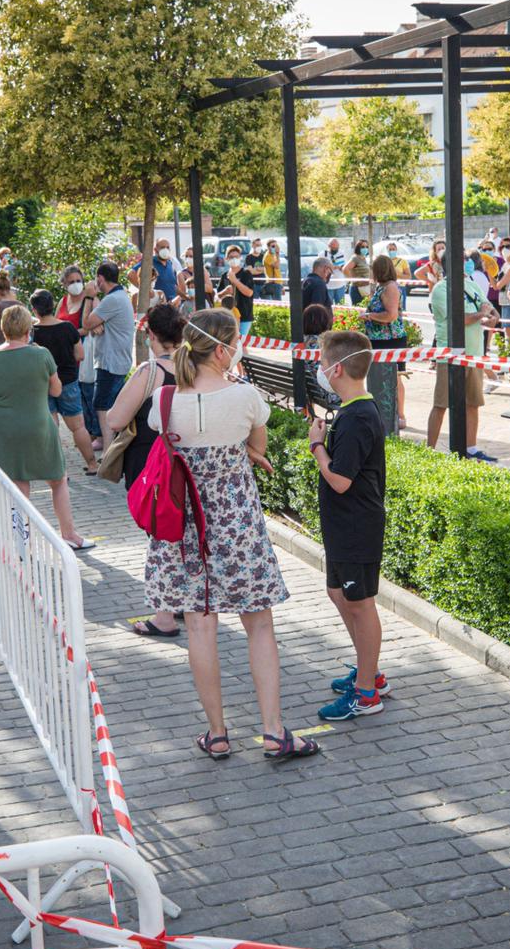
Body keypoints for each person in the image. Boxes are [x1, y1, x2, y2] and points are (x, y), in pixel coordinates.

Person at [147, 310, 320, 761]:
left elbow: (163, 440)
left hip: (185, 528)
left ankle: (218, 734)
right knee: (259, 625)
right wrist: (240, 449)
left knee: (200, 629)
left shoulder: (165, 401)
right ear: (223, 349)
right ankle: (274, 731)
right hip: (238, 525)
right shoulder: (245, 396)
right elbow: (258, 448)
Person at [308, 330, 387, 722]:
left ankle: (367, 692)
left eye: (322, 363)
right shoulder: (350, 410)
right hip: (343, 525)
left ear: (337, 369)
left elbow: (340, 479)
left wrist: (317, 447)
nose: (319, 370)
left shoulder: (358, 416)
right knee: (338, 593)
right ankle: (367, 668)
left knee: (360, 603)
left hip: (357, 525)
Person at [0, 304, 93, 550]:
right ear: (27, 329)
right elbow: (56, 390)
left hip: (4, 427)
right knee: (58, 479)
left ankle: (22, 542)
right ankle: (69, 535)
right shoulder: (41, 355)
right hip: (37, 423)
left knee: (19, 483)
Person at [106, 304, 184, 640]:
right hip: (188, 461)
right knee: (179, 537)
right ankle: (179, 598)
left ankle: (164, 615)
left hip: (153, 466)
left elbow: (115, 419)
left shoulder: (149, 373)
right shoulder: (197, 368)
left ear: (150, 333)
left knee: (161, 538)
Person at [427, 248, 499, 461]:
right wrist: (482, 314)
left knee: (473, 403)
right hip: (450, 355)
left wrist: (491, 316)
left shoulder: (472, 284)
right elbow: (459, 318)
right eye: (464, 260)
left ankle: (472, 448)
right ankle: (428, 451)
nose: (468, 263)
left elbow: (489, 309)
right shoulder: (441, 289)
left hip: (474, 354)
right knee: (441, 404)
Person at [30, 289, 96, 475]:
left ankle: (59, 471)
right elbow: (80, 355)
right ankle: (92, 464)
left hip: (43, 385)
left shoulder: (33, 332)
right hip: (68, 382)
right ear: (52, 305)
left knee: (51, 429)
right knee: (78, 427)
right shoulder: (67, 328)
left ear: (34, 310)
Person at [84, 261, 135, 450]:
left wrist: (89, 297)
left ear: (100, 278)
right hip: (116, 360)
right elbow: (96, 321)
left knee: (103, 406)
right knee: (108, 405)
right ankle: (111, 449)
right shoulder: (118, 297)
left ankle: (109, 451)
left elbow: (87, 322)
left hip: (110, 362)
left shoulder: (112, 300)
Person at [57, 265, 102, 446]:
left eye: (78, 281)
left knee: (89, 391)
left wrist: (71, 333)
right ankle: (87, 432)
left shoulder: (91, 300)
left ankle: (99, 433)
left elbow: (94, 324)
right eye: (71, 282)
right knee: (77, 395)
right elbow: (55, 322)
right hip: (66, 355)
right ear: (64, 284)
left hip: (84, 350)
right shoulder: (63, 301)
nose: (76, 284)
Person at [363, 254, 408, 429]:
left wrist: (368, 316)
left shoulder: (390, 287)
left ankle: (400, 415)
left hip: (390, 340)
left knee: (394, 378)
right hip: (379, 339)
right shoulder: (381, 287)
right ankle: (383, 414)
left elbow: (391, 315)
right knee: (379, 377)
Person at [217, 246, 256, 336]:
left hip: (244, 316)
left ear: (240, 258)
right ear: (226, 259)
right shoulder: (224, 275)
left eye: (236, 256)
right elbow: (218, 295)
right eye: (231, 257)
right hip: (228, 316)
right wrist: (225, 291)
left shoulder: (246, 273)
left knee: (240, 342)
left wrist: (235, 281)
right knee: (233, 344)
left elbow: (249, 293)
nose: (234, 259)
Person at [149, 237, 180, 305]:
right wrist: (147, 292)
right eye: (162, 247)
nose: (165, 249)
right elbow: (131, 274)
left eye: (167, 247)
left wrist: (183, 296)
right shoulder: (150, 262)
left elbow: (173, 285)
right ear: (155, 249)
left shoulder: (170, 263)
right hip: (159, 307)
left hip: (173, 306)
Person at [344, 239, 373, 306]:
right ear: (358, 248)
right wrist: (355, 281)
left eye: (366, 247)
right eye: (362, 247)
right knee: (358, 311)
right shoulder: (355, 258)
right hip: (357, 289)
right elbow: (345, 269)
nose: (365, 249)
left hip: (365, 289)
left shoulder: (364, 258)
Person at [326, 238, 346, 304]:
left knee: (341, 307)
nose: (335, 248)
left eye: (336, 246)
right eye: (333, 246)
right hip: (328, 286)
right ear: (329, 246)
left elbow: (345, 267)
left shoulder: (342, 253)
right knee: (328, 307)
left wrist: (338, 267)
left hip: (340, 285)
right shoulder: (323, 254)